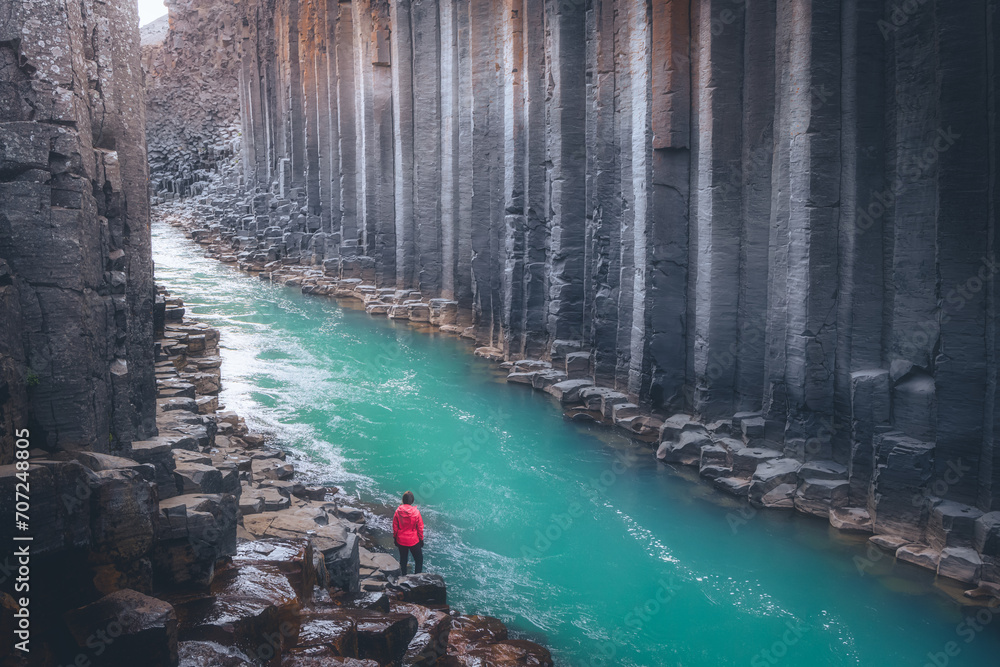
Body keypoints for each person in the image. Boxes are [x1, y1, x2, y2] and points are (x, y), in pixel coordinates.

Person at [392, 490, 424, 575]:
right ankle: (417, 578)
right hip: (414, 540)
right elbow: (420, 528)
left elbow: (395, 526)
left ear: (403, 500)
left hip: (401, 540)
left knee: (403, 560)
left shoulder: (398, 511)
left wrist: (395, 538)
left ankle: (403, 578)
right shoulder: (416, 512)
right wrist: (421, 539)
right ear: (412, 501)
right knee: (419, 560)